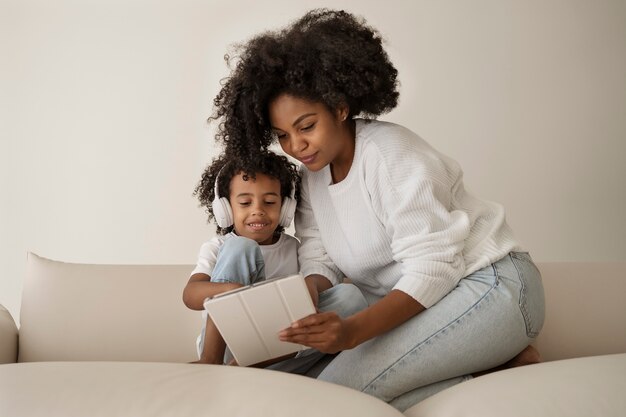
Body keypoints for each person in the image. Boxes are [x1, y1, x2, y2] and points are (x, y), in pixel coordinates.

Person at [208, 8, 546, 410]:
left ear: (339, 107)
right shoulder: (313, 178)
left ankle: (496, 355)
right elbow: (321, 259)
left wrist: (352, 333)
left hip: (491, 288)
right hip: (428, 308)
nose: (296, 145)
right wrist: (298, 300)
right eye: (283, 135)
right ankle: (494, 370)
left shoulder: (391, 155)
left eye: (307, 126)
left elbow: (434, 269)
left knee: (334, 398)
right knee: (311, 389)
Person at [182, 150, 366, 369]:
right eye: (245, 203)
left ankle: (248, 367)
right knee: (241, 247)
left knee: (350, 296)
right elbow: (190, 296)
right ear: (226, 209)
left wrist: (309, 291)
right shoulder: (218, 247)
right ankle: (210, 361)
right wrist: (230, 290)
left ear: (285, 208)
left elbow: (314, 293)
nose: (258, 211)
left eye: (269, 202)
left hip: (278, 350)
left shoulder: (293, 248)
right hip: (229, 346)